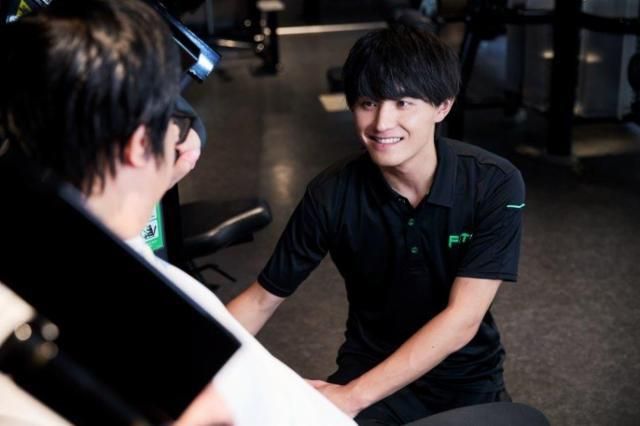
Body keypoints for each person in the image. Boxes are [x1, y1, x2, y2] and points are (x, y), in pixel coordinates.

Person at [0, 0, 355, 425]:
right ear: (136, 145)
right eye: (172, 119)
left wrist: (148, 178)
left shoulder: (49, 262)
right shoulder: (149, 329)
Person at [227, 24, 526, 425]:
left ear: (443, 106)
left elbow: (462, 319)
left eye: (403, 103)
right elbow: (261, 300)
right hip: (369, 369)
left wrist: (350, 398)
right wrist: (187, 367)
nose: (382, 123)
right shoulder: (331, 193)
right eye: (368, 103)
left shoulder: (493, 182)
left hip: (466, 380)